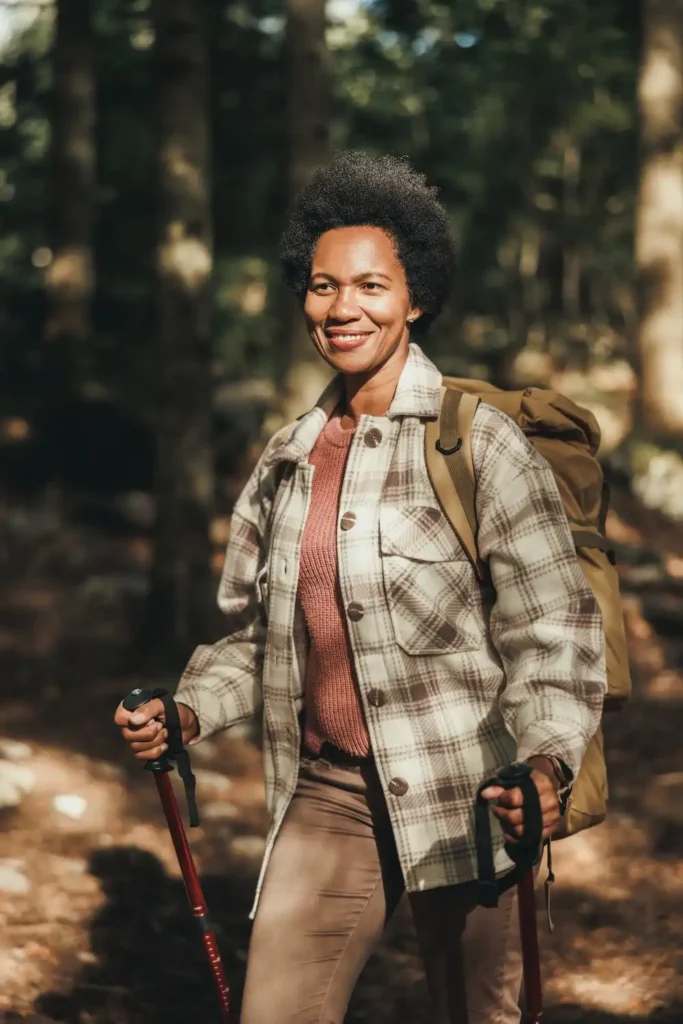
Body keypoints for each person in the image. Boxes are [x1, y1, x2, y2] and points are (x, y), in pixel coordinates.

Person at [114, 151, 606, 1023]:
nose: (342, 307)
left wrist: (544, 763)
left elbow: (552, 632)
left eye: (371, 286)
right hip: (328, 793)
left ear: (415, 298)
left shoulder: (478, 445)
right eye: (321, 285)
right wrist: (188, 711)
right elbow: (266, 638)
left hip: (471, 794)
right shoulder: (286, 458)